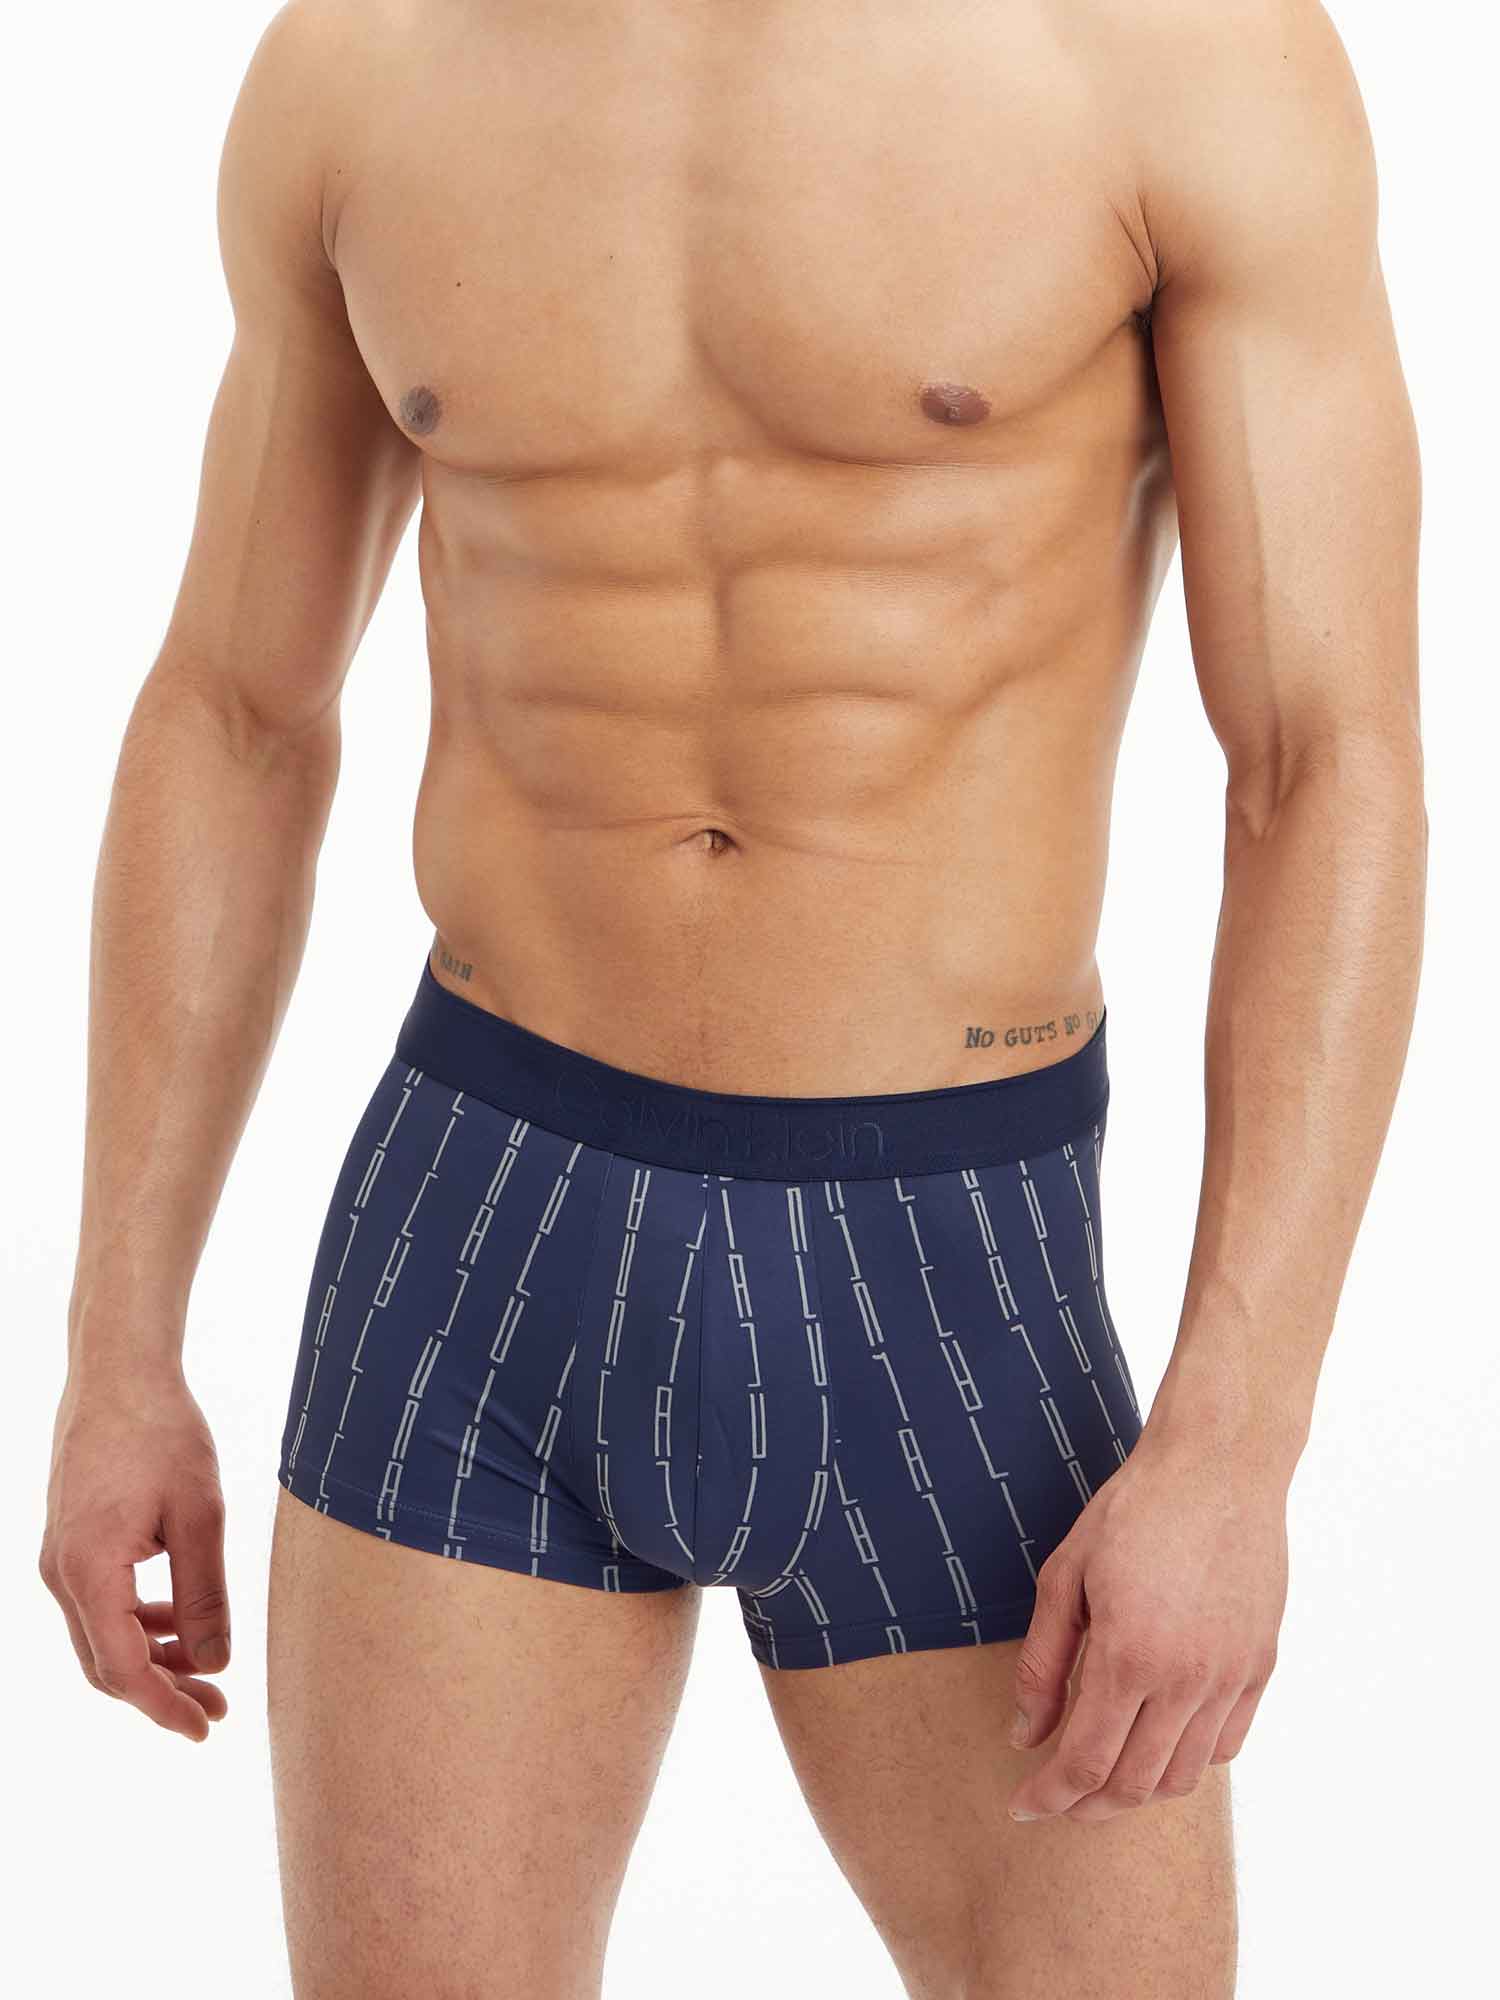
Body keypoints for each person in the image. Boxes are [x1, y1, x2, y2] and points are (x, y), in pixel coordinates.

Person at [40, 1, 1424, 1994]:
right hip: (479, 1250)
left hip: (947, 1282)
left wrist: (1236, 1443)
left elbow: (1322, 762)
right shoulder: (364, 66)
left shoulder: (1173, 56)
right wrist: (115, 1348)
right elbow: (234, 713)